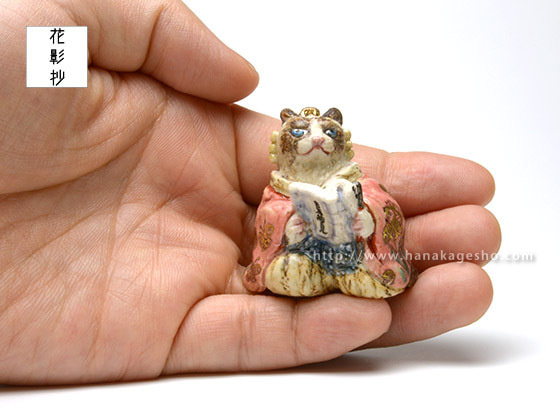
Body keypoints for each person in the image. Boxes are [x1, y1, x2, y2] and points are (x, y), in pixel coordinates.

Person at [0, 0, 500, 385]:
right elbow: (267, 232)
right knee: (291, 273)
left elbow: (384, 212)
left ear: (341, 142)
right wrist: (293, 227)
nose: (316, 138)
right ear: (284, 145)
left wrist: (366, 220)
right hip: (305, 257)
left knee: (371, 272)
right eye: (302, 132)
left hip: (353, 254)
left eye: (325, 131)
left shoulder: (362, 181)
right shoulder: (276, 193)